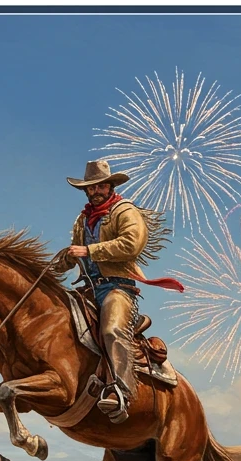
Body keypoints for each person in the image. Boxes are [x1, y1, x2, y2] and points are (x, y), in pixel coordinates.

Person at [55, 160, 155, 423]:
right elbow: (75, 251)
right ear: (86, 191)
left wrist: (90, 251)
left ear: (110, 186)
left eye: (101, 185)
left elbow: (132, 244)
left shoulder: (125, 211)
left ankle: (121, 391)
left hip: (118, 287)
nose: (96, 190)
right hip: (89, 288)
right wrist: (59, 262)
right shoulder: (83, 219)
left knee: (111, 330)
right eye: (91, 187)